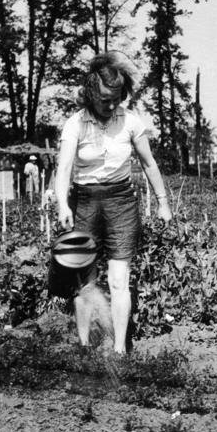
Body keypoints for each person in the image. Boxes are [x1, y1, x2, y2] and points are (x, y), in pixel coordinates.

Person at [55, 51, 173, 354]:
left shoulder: (131, 122)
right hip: (84, 202)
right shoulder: (75, 124)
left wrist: (163, 202)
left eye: (116, 99)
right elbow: (64, 169)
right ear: (91, 93)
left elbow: (149, 164)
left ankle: (120, 349)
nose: (111, 106)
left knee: (120, 279)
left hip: (121, 202)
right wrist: (63, 206)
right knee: (85, 280)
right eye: (105, 100)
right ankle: (84, 347)